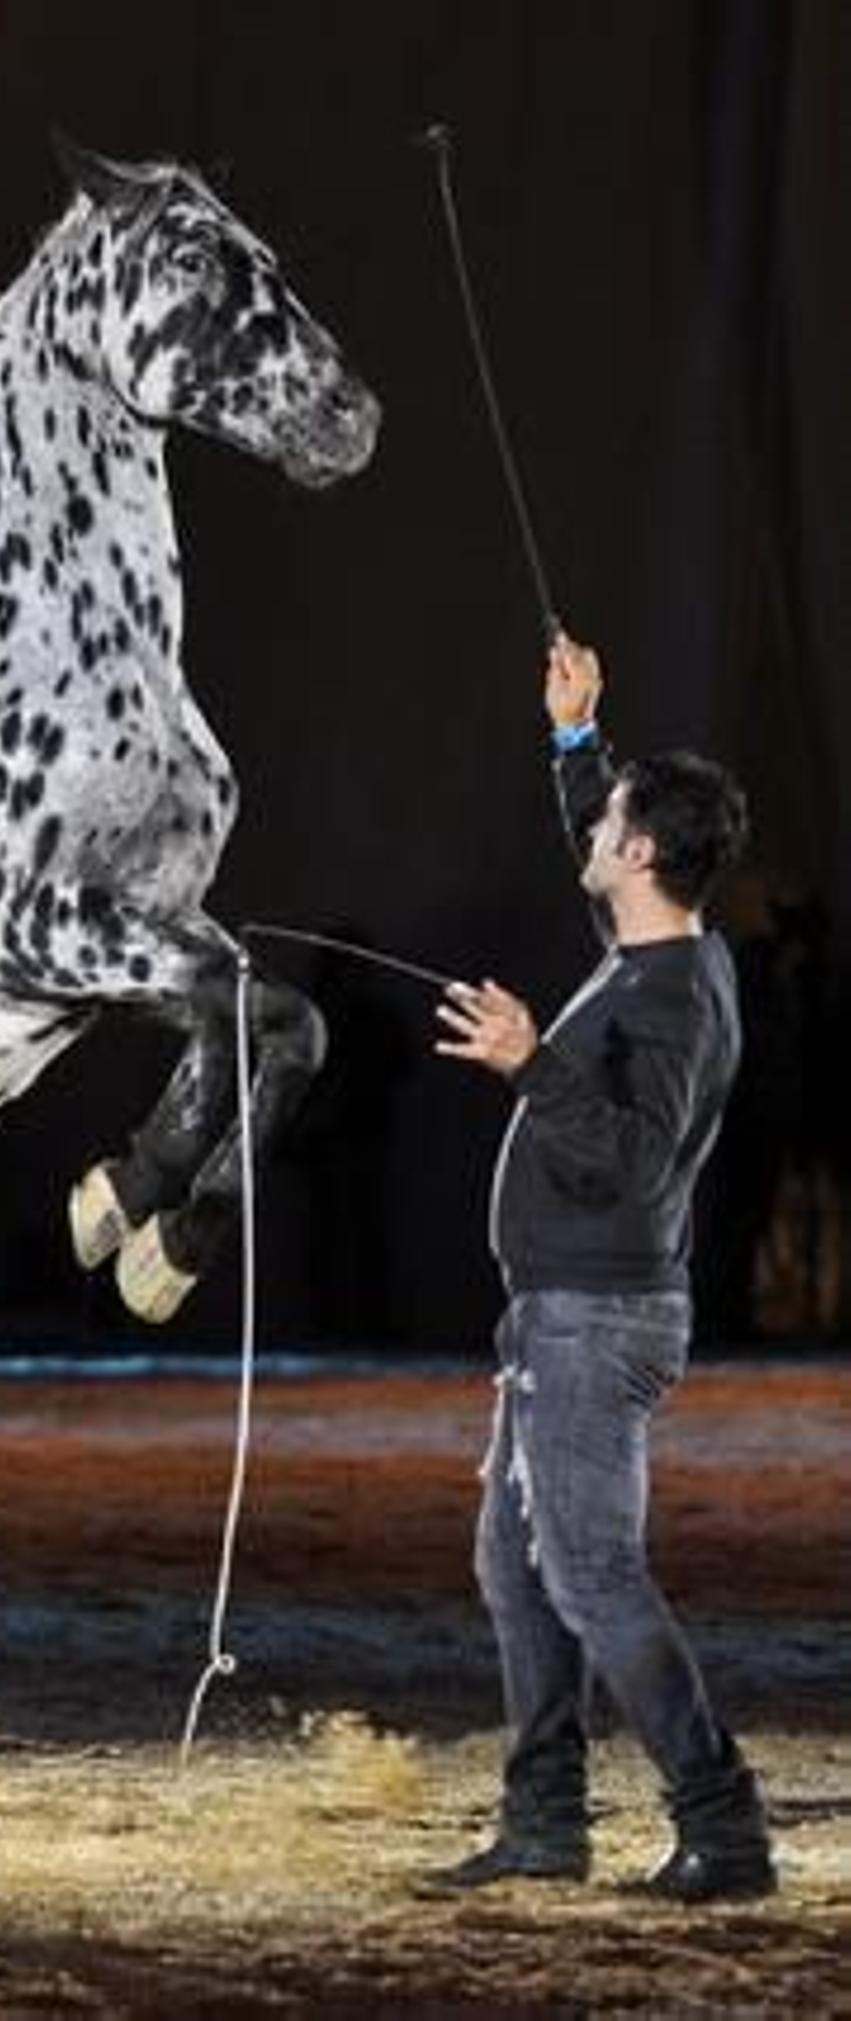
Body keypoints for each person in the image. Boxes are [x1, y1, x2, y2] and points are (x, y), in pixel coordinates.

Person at [429, 632, 773, 1903]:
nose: (598, 820)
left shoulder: (675, 996)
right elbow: (607, 847)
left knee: (589, 1574)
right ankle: (543, 1821)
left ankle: (722, 1828)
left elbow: (629, 1158)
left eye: (612, 809)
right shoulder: (664, 944)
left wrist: (530, 1059)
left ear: (639, 852)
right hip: (557, 1319)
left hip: (595, 1321)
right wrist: (578, 735)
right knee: (515, 1566)